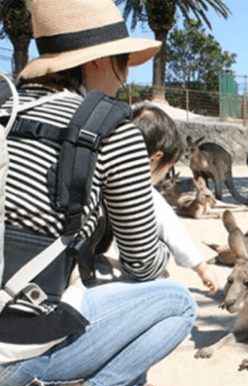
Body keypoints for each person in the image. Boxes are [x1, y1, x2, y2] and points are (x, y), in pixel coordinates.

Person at [0, 1, 203, 386]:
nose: (125, 79)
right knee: (176, 304)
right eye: (123, 63)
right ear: (95, 62)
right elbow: (142, 266)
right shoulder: (111, 129)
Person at [92, 104, 220, 291]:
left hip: (82, 273)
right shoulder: (144, 192)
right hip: (116, 279)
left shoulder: (96, 175)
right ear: (155, 158)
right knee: (178, 295)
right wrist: (202, 268)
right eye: (167, 167)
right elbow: (174, 233)